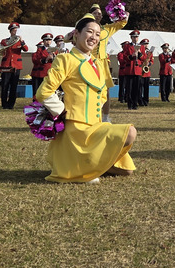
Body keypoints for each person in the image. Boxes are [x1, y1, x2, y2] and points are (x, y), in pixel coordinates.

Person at [35, 13, 136, 183]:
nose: (94, 37)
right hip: (76, 130)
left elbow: (102, 92)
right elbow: (43, 91)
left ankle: (86, 165)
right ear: (76, 34)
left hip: (95, 126)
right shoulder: (65, 59)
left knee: (126, 171)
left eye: (97, 34)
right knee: (130, 132)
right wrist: (63, 114)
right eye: (89, 32)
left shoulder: (97, 63)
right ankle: (80, 165)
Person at [90, 3, 128, 123]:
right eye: (95, 13)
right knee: (91, 89)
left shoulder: (105, 29)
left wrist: (123, 14)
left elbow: (120, 24)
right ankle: (91, 116)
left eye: (100, 13)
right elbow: (70, 37)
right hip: (90, 61)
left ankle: (106, 117)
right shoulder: (85, 27)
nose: (98, 15)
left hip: (103, 63)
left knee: (105, 90)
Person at [0, 22, 28, 110]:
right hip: (6, 65)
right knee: (4, 85)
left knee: (14, 86)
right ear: (10, 31)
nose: (15, 31)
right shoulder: (4, 41)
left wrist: (22, 41)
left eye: (16, 30)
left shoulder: (19, 41)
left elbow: (26, 49)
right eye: (13, 30)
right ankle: (4, 104)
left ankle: (11, 104)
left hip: (16, 66)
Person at [121, 30, 144, 110]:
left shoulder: (141, 46)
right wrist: (131, 56)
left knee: (136, 88)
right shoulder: (127, 46)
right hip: (130, 69)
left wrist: (140, 54)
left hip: (137, 70)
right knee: (129, 88)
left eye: (137, 37)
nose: (135, 38)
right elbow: (124, 57)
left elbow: (144, 58)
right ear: (131, 38)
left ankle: (135, 103)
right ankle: (130, 104)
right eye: (134, 37)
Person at [139, 38, 154, 107]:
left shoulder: (149, 52)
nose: (146, 45)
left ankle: (146, 100)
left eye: (147, 44)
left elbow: (152, 60)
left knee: (146, 88)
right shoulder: (140, 51)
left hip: (147, 72)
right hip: (140, 71)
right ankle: (140, 100)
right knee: (140, 88)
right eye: (144, 44)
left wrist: (149, 64)